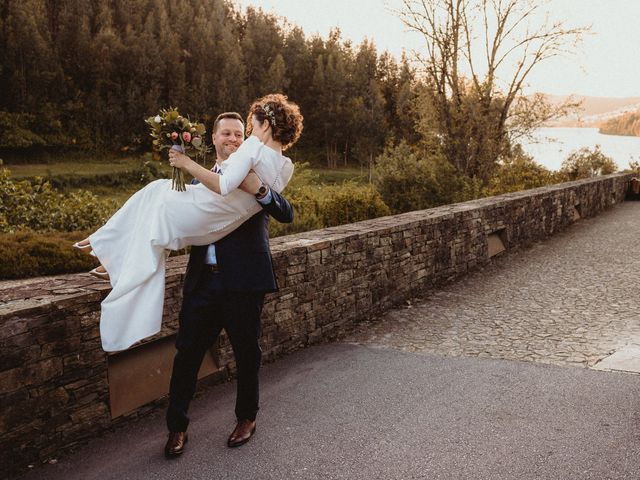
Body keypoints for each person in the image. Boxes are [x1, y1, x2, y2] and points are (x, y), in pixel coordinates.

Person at [74, 93, 302, 352]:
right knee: (155, 201)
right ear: (214, 137)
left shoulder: (252, 148)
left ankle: (104, 247)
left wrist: (186, 163)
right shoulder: (285, 166)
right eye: (227, 133)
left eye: (250, 127)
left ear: (267, 124)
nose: (246, 135)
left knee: (155, 192)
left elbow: (231, 188)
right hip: (210, 239)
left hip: (230, 256)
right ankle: (109, 253)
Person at [164, 110, 294, 457]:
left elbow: (286, 212)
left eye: (240, 134)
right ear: (214, 139)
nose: (234, 139)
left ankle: (246, 419)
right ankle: (177, 427)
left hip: (244, 281)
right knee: (186, 354)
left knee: (247, 353)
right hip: (203, 283)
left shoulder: (259, 171)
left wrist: (261, 190)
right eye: (227, 134)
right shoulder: (197, 184)